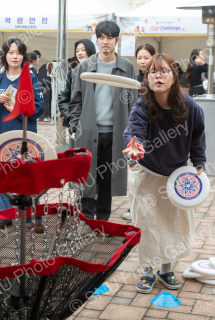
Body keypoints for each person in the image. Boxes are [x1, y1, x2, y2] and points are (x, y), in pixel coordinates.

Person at [123, 53, 205, 294]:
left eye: (163, 71)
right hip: (146, 172)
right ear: (146, 77)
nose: (157, 77)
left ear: (174, 75)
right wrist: (135, 147)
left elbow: (198, 136)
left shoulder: (189, 105)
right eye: (152, 72)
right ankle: (147, 271)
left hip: (175, 176)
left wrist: (199, 161)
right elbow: (134, 132)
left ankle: (167, 269)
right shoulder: (142, 105)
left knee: (172, 224)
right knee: (146, 225)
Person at [69, 20, 137, 223]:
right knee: (86, 175)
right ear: (96, 40)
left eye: (110, 38)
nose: (105, 42)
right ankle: (86, 218)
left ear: (117, 40)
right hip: (89, 131)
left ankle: (103, 219)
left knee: (107, 177)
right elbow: (75, 100)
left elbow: (133, 104)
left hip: (115, 132)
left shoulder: (126, 67)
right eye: (101, 37)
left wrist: (133, 133)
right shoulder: (85, 66)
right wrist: (76, 126)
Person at [0, 38, 44, 226]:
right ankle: (6, 215)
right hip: (3, 134)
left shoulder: (31, 78)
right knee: (4, 175)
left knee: (28, 173)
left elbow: (39, 108)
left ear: (24, 56)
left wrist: (18, 108)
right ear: (5, 55)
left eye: (19, 52)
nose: (15, 56)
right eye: (11, 52)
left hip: (25, 134)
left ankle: (33, 217)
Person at [121, 43, 156, 221]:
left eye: (146, 57)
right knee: (135, 170)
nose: (142, 61)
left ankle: (150, 208)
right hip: (136, 133)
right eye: (139, 58)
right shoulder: (134, 80)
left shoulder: (158, 80)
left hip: (155, 134)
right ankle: (133, 207)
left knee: (152, 174)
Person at [58, 39, 96, 128]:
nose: (80, 53)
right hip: (75, 124)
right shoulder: (72, 73)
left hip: (96, 123)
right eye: (77, 51)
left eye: (83, 50)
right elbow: (63, 99)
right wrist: (71, 118)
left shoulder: (99, 73)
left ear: (91, 51)